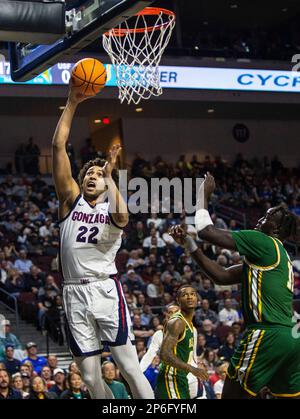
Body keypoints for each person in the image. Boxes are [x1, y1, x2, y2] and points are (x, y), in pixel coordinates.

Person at [51, 85, 153, 399]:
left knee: (129, 367)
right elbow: (57, 146)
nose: (93, 176)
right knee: (91, 377)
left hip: (105, 289)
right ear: (81, 182)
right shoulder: (70, 200)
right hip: (73, 292)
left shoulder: (112, 209)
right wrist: (72, 102)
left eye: (98, 173)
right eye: (89, 174)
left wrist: (111, 176)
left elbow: (123, 216)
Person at [169, 173, 300, 399]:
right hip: (292, 336)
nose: (259, 220)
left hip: (266, 333)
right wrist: (189, 244)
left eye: (266, 218)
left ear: (276, 230)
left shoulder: (265, 242)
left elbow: (207, 232)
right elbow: (220, 275)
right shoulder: (276, 257)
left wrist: (202, 195)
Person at [156, 285, 209, 399]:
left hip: (181, 378)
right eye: (185, 295)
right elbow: (164, 354)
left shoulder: (190, 324)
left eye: (192, 294)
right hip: (170, 378)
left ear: (197, 299)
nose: (189, 297)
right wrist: (193, 369)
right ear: (178, 301)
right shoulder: (177, 322)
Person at [140, 303, 199, 399]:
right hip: (169, 374)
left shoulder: (192, 330)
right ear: (166, 316)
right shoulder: (159, 334)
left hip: (187, 373)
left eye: (176, 312)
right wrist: (140, 372)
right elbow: (149, 354)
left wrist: (195, 369)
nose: (173, 315)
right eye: (170, 313)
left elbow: (193, 354)